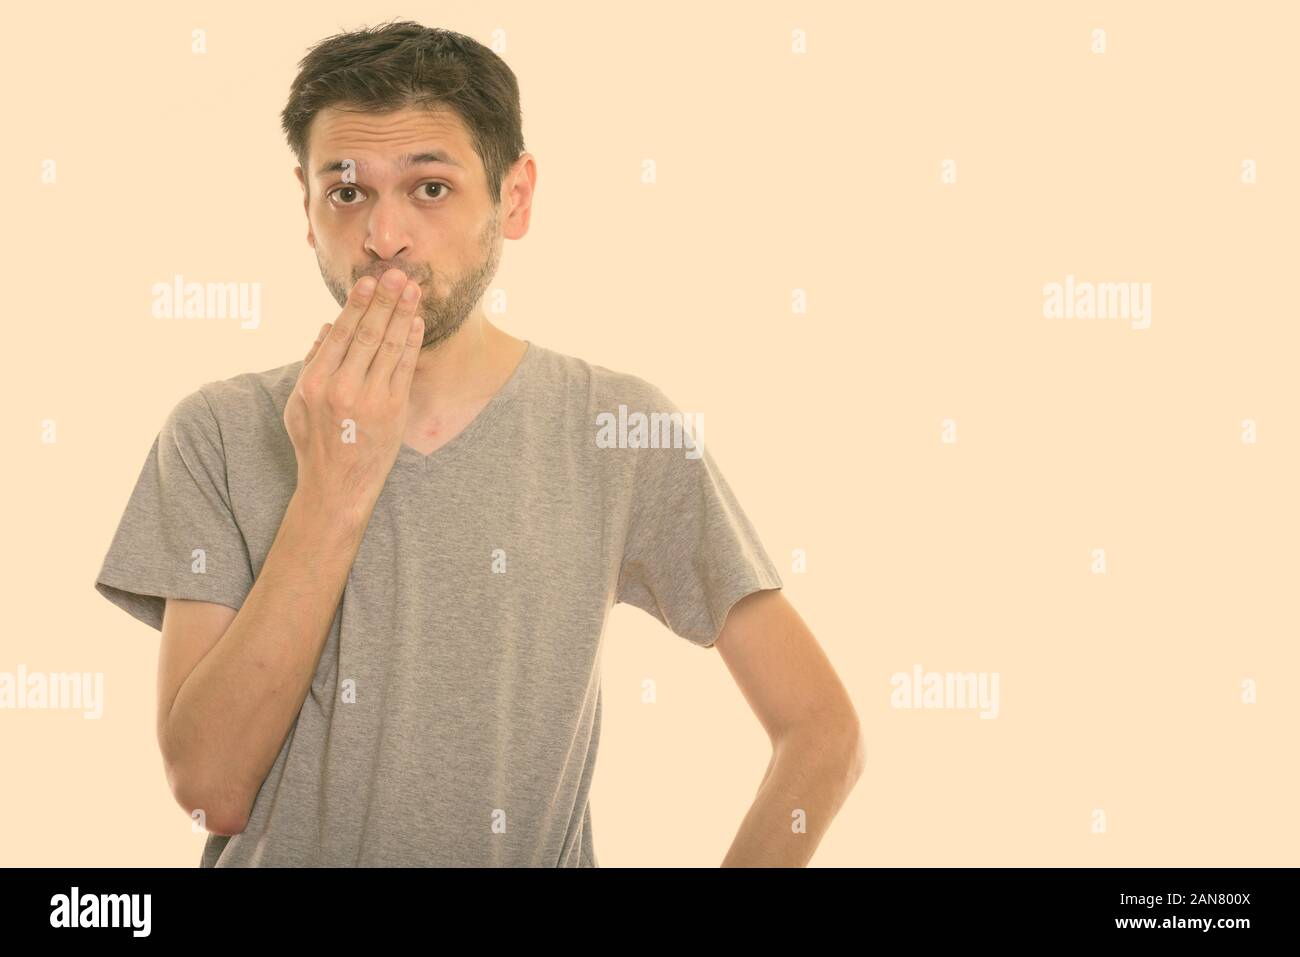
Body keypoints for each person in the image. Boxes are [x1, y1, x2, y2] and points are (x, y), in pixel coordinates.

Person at [94, 19, 863, 867]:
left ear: (515, 197)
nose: (384, 237)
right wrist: (333, 486)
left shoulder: (615, 430)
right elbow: (209, 786)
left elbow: (821, 731)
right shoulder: (215, 432)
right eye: (346, 192)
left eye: (430, 189)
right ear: (307, 211)